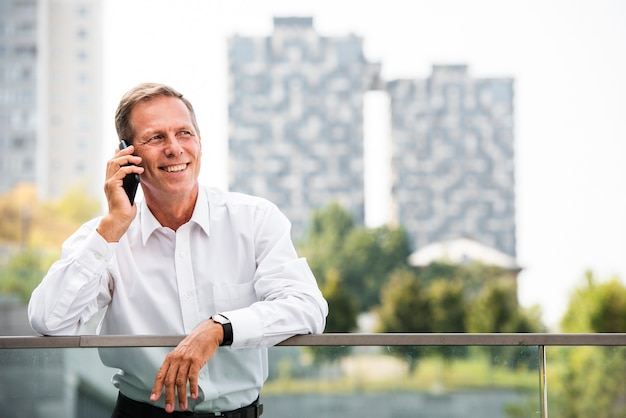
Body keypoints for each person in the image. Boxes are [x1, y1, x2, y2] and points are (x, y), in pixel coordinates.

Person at [28, 82, 328, 417]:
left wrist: (218, 329)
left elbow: (307, 307)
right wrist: (113, 226)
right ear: (127, 154)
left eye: (184, 133)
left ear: (199, 142)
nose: (174, 148)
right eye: (156, 137)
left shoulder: (255, 219)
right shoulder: (104, 237)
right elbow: (50, 321)